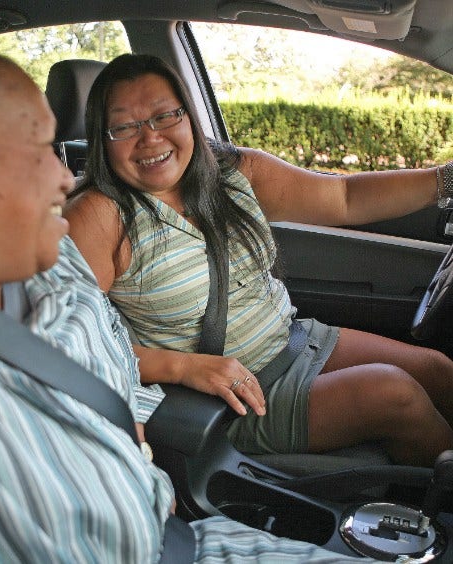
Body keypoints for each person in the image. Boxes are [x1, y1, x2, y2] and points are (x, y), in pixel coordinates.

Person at [0, 38, 376, 562]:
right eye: (39, 149)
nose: (62, 176)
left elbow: (120, 390)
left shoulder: (50, 272)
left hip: (190, 539)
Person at [64, 52, 453, 468]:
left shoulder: (232, 171)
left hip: (296, 342)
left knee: (439, 370)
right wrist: (183, 367)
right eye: (124, 126)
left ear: (188, 116)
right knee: (392, 393)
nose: (150, 138)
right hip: (233, 398)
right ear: (103, 139)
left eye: (164, 116)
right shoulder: (98, 216)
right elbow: (72, 345)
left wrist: (446, 180)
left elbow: (345, 198)